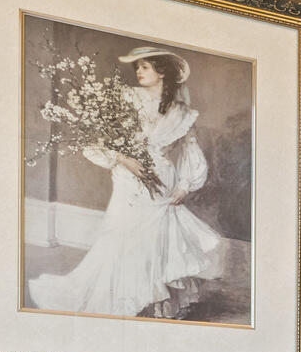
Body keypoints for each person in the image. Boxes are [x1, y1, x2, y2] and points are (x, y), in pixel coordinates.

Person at [27, 46, 225, 319]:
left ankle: (158, 304)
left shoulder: (182, 111)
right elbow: (98, 139)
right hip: (129, 178)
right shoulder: (127, 98)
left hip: (164, 180)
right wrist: (126, 160)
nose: (139, 72)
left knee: (159, 239)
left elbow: (189, 149)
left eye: (144, 66)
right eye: (138, 68)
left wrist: (185, 184)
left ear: (162, 71)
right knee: (123, 236)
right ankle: (125, 299)